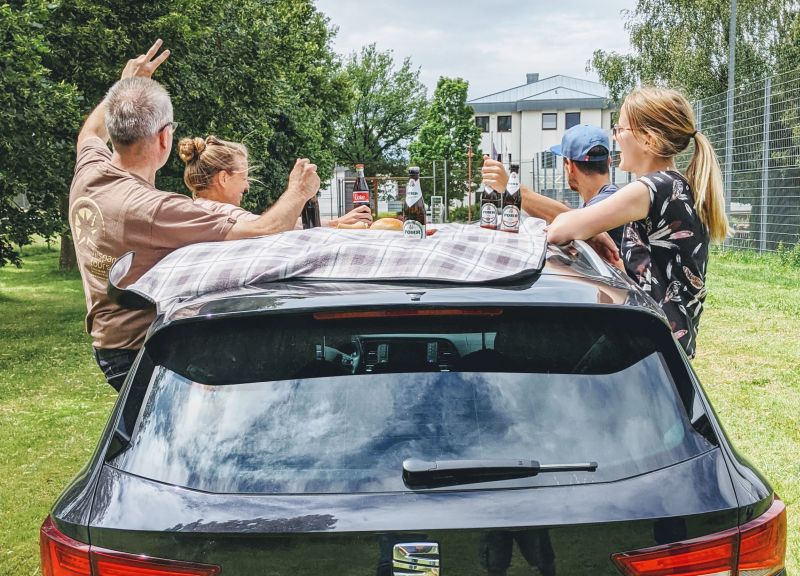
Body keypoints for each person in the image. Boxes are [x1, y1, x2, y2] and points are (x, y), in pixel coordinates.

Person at [69, 40, 320, 391]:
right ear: (164, 138)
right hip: (141, 352)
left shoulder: (90, 172)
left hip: (108, 343)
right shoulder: (153, 209)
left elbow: (88, 133)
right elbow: (264, 229)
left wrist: (125, 85)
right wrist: (299, 191)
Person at [546, 87, 729, 358]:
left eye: (620, 129)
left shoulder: (653, 188)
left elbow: (560, 230)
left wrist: (588, 231)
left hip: (649, 342)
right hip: (665, 341)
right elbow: (659, 270)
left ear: (648, 140)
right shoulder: (675, 186)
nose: (615, 137)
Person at [177, 136, 373, 228]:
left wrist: (336, 222)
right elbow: (269, 226)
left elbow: (270, 222)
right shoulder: (220, 211)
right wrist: (298, 190)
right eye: (244, 178)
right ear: (223, 178)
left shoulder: (202, 209)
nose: (247, 186)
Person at [481, 125, 624, 249]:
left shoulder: (608, 202)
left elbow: (573, 221)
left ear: (569, 165)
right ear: (609, 162)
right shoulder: (611, 199)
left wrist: (511, 186)